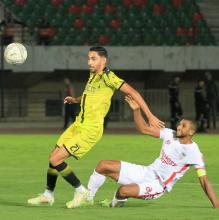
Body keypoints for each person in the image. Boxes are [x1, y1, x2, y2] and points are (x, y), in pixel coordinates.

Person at [27, 46, 164, 208]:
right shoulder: (93, 75)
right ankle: (48, 194)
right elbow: (88, 95)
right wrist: (75, 100)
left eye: (93, 59)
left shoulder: (109, 77)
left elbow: (134, 93)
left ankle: (81, 191)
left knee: (56, 159)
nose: (89, 62)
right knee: (53, 156)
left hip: (90, 129)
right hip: (78, 124)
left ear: (103, 60)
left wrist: (150, 116)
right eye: (89, 58)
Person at [83, 95, 219, 209]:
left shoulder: (193, 152)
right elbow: (143, 129)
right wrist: (136, 110)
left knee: (123, 191)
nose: (178, 126)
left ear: (191, 132)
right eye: (179, 123)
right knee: (103, 165)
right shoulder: (169, 134)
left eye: (183, 126)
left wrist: (216, 205)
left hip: (158, 185)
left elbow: (204, 180)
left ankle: (114, 205)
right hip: (147, 172)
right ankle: (87, 199)